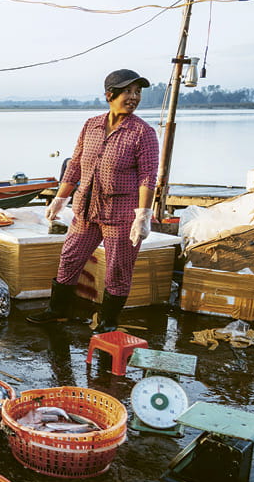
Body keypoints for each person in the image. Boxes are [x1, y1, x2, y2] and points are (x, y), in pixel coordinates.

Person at [27, 69, 159, 333]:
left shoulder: (143, 132)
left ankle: (108, 323)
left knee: (117, 269)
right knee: (69, 257)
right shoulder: (91, 125)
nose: (134, 97)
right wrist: (59, 198)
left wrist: (143, 215)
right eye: (127, 92)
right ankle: (58, 311)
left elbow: (148, 176)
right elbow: (75, 165)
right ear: (110, 95)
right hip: (86, 211)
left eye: (138, 92)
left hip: (121, 214)